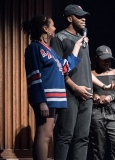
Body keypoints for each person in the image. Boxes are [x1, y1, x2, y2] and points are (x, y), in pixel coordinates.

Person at [50, 4, 115, 160]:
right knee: (65, 134)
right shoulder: (59, 38)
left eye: (84, 16)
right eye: (79, 16)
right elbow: (58, 69)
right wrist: (75, 88)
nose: (83, 19)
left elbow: (86, 70)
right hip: (70, 94)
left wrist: (103, 86)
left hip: (87, 95)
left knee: (82, 138)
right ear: (69, 18)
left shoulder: (83, 40)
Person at [22, 14, 84, 160]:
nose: (55, 28)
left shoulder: (50, 50)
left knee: (48, 134)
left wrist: (77, 46)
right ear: (45, 29)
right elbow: (34, 75)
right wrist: (41, 101)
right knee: (43, 135)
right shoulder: (34, 48)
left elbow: (65, 67)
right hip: (46, 98)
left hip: (55, 98)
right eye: (53, 25)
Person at [89, 45, 115, 160]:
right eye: (104, 59)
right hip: (96, 111)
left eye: (109, 59)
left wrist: (111, 97)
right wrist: (94, 95)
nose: (107, 62)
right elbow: (86, 92)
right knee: (99, 147)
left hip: (112, 111)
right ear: (97, 59)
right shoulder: (91, 74)